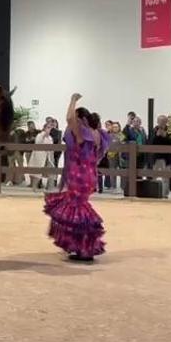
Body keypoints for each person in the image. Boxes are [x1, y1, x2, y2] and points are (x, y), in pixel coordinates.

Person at [44, 93, 111, 262]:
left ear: (81, 119)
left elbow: (68, 118)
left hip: (78, 175)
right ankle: (81, 246)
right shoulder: (98, 134)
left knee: (75, 210)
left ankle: (82, 248)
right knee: (78, 208)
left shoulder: (82, 132)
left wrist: (73, 100)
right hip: (89, 175)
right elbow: (99, 156)